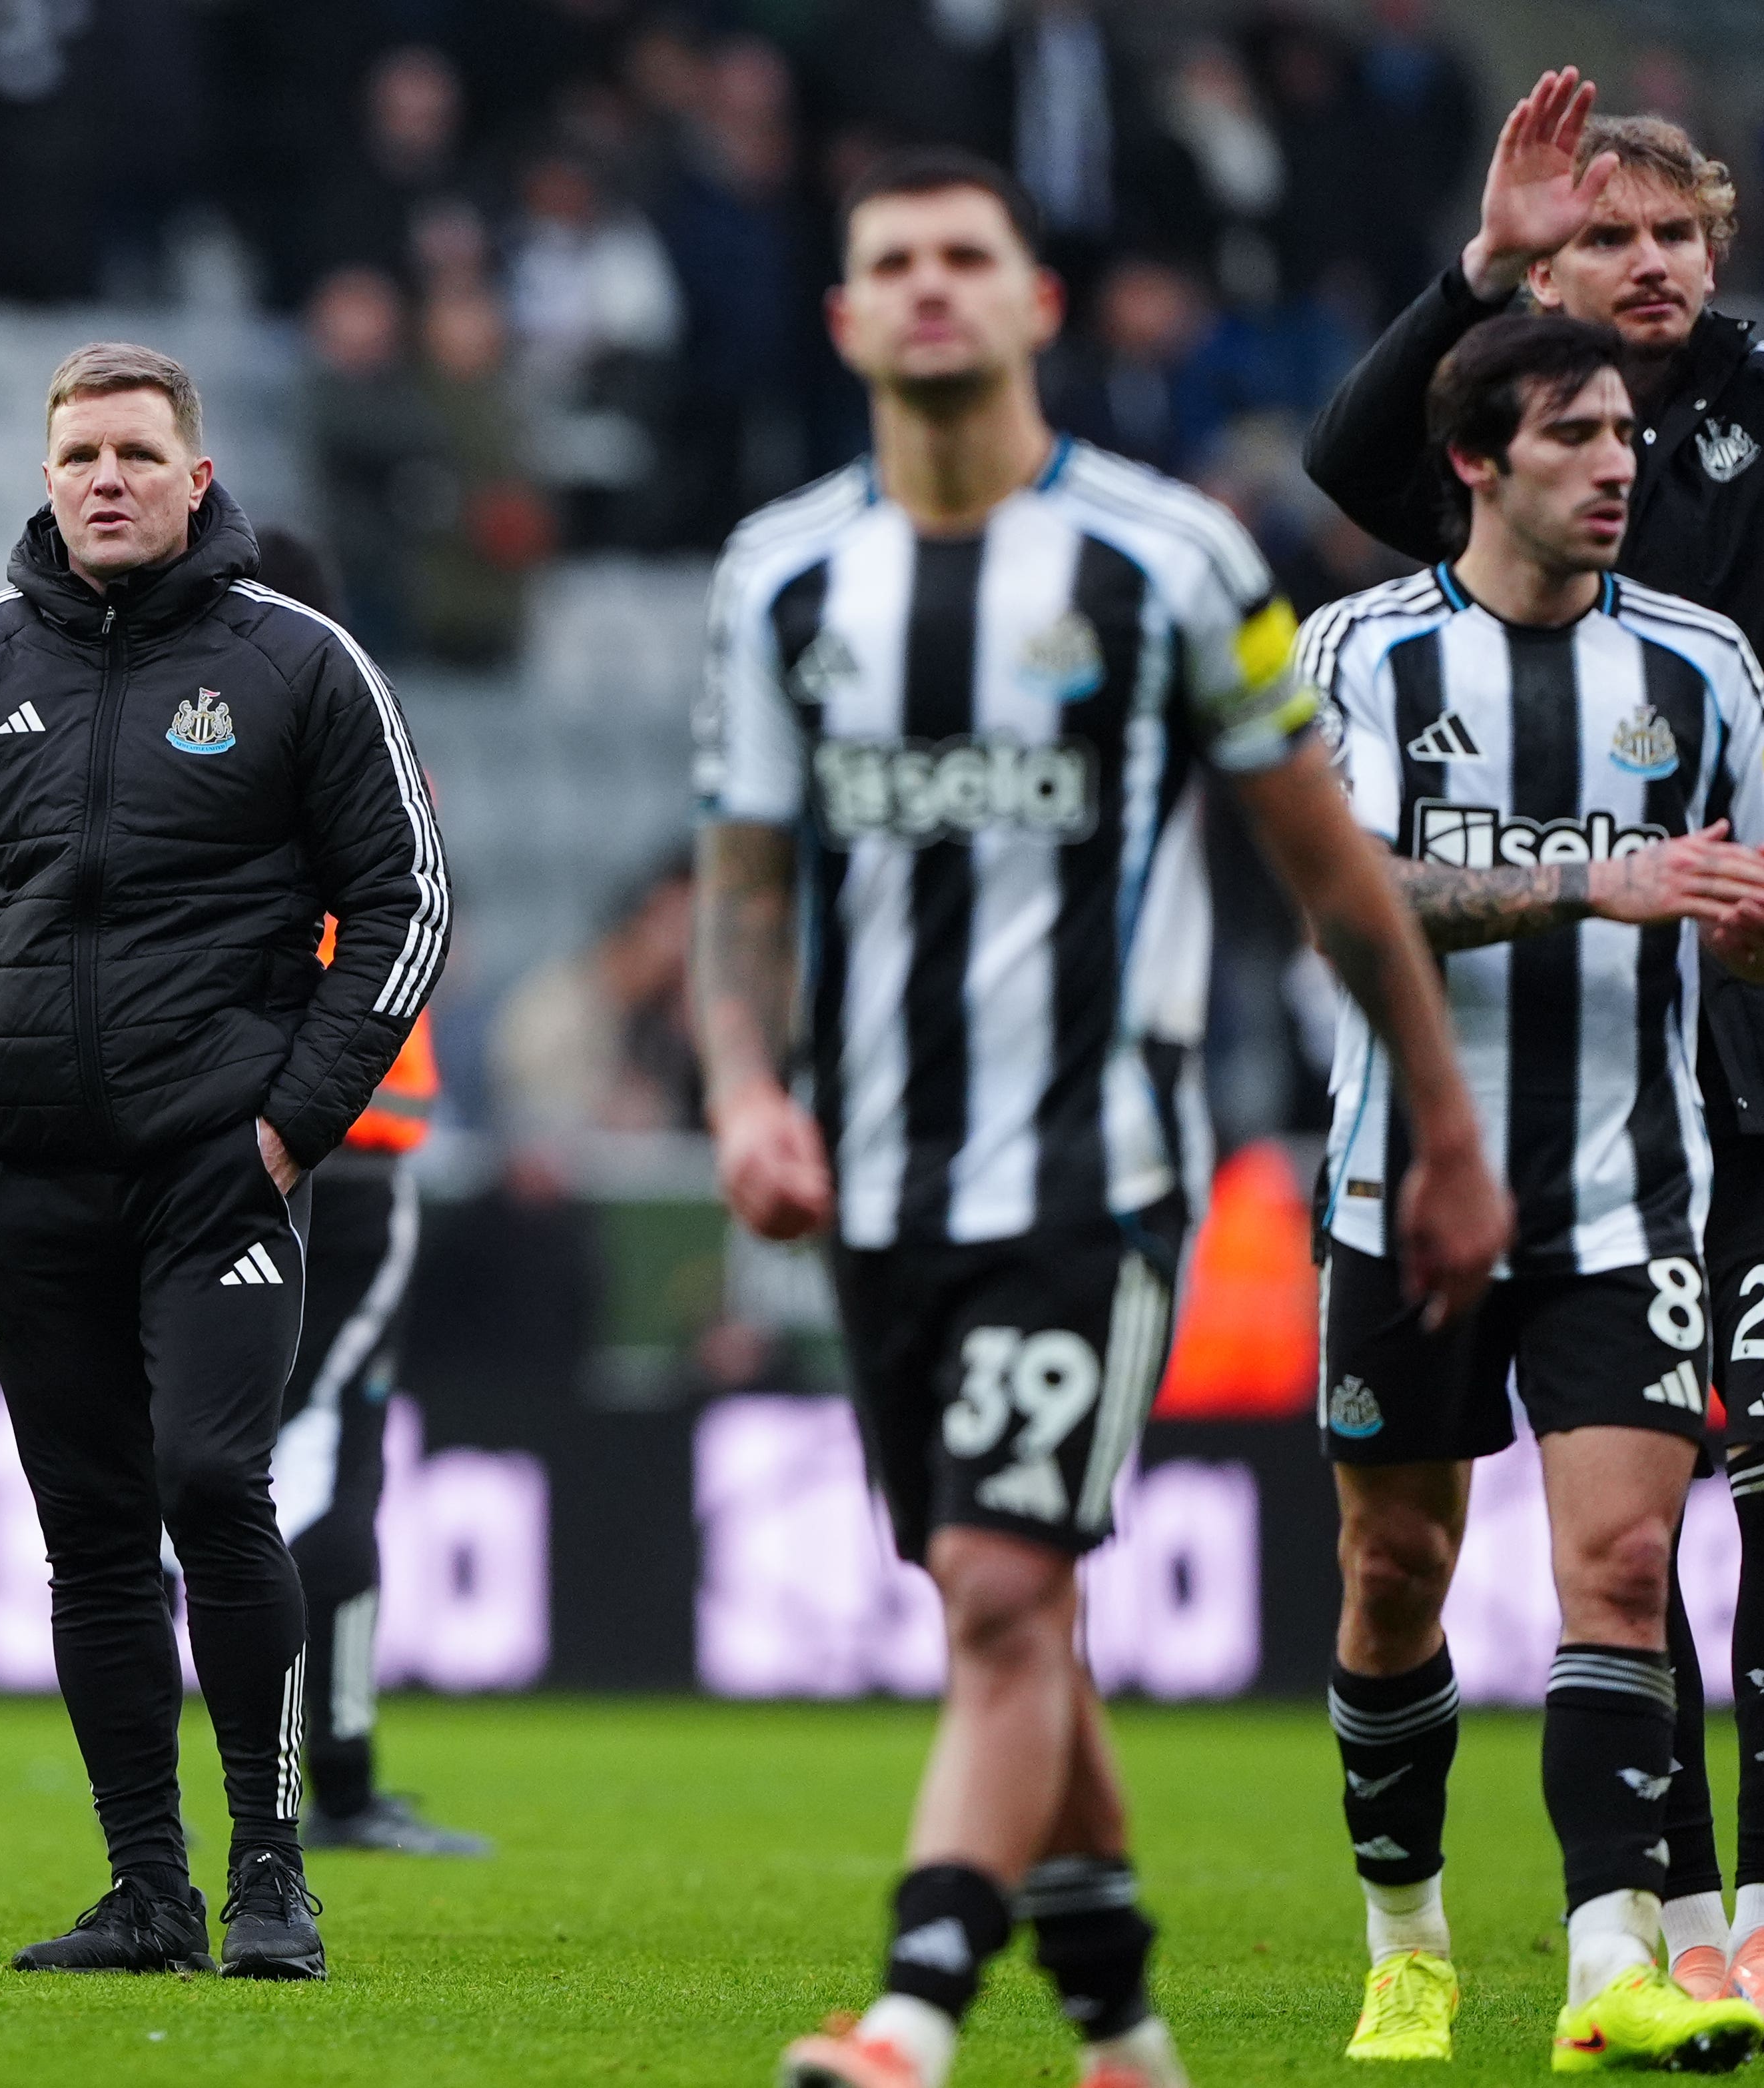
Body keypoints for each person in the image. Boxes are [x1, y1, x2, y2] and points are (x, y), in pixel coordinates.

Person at [694, 150, 1511, 2088]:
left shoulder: (1169, 557)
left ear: (1029, 302)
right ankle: (1126, 2028)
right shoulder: (778, 574)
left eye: (962, 256)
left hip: (1094, 1171)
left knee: (995, 1593)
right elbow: (739, 884)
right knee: (1010, 1614)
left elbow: (1331, 875)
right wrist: (743, 1090)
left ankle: (908, 2006)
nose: (924, 288)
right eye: (885, 261)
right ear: (841, 317)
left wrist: (1442, 1124)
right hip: (879, 1179)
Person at [0, 342, 447, 1980]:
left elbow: (408, 903)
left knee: (211, 1480)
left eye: (132, 453)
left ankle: (271, 1867)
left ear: (197, 479)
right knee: (95, 1533)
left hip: (215, 1169)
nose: (102, 479)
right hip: (19, 1178)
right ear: (43, 480)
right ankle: (147, 1891)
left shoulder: (299, 662)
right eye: (76, 456)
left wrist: (287, 1121)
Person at [1304, 74, 1764, 2002]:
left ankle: (1687, 1937)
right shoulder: (1424, 553)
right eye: (1604, 238)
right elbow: (1353, 450)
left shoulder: (1725, 529)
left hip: (1702, 1079)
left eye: (1673, 233)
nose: (1646, 266)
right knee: (1454, 1560)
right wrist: (1474, 270)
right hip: (1491, 1109)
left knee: (1664, 1519)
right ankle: (1637, 1909)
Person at [250, 525, 482, 1859]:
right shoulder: (374, 744)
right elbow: (421, 932)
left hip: (222, 1146)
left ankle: (269, 1775)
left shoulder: (193, 747)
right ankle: (330, 1781)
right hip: (358, 1151)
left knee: (229, 1450)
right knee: (321, 1453)